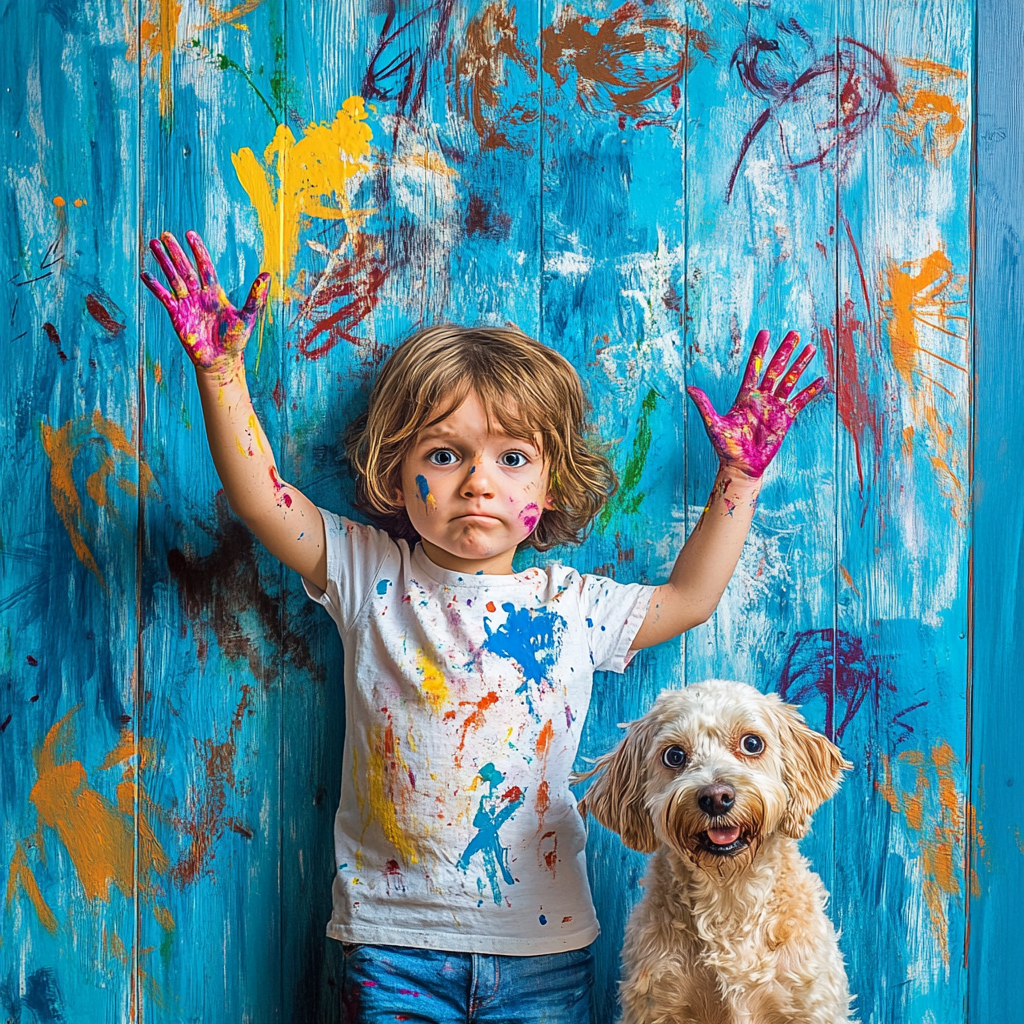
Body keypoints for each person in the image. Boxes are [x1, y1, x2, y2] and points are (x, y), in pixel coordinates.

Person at [141, 229, 824, 1024]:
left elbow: (692, 596)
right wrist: (221, 375)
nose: (476, 482)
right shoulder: (370, 575)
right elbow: (264, 500)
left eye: (511, 459)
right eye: (442, 455)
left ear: (551, 477)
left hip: (545, 950)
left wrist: (739, 476)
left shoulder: (573, 606)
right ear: (395, 471)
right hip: (394, 946)